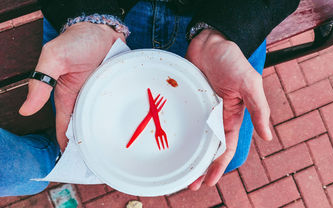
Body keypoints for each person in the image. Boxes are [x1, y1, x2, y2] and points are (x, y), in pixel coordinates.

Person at [0, 0, 300, 196]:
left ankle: (64, 163)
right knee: (81, 129)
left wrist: (229, 29)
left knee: (225, 153)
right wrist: (88, 16)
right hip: (102, 11)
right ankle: (55, 160)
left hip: (226, 12)